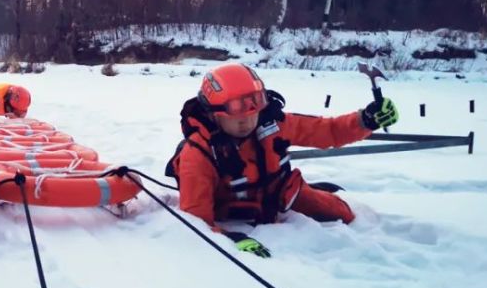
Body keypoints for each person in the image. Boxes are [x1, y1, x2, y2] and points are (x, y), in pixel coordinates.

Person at [167, 63, 399, 257]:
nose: (247, 120)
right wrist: (231, 239)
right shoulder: (197, 154)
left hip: (281, 194)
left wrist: (365, 121)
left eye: (253, 108)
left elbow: (326, 131)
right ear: (212, 113)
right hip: (235, 215)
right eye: (235, 113)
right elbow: (195, 220)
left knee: (345, 215)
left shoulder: (273, 124)